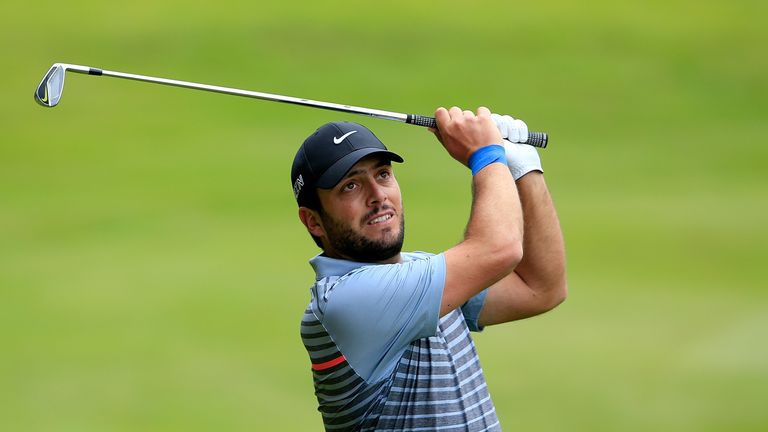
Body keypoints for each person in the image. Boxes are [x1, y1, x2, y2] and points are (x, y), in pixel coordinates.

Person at [291, 106, 567, 431]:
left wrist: (523, 167)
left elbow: (540, 289)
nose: (378, 196)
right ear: (313, 221)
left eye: (382, 174)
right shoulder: (345, 302)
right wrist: (487, 155)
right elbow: (500, 249)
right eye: (350, 186)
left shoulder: (419, 271)